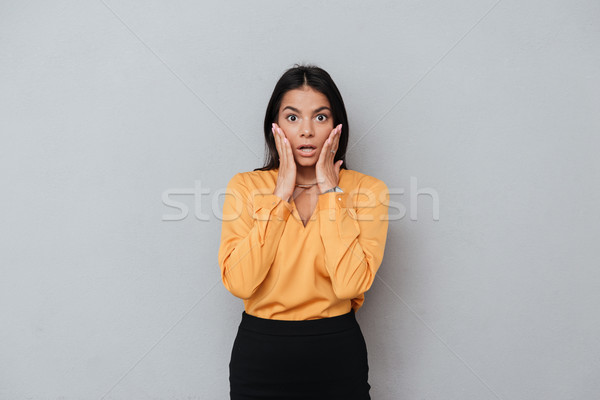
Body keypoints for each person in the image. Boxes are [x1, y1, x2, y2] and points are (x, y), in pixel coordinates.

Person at [218, 64, 389, 399]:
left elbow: (349, 284)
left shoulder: (369, 191)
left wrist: (330, 194)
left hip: (337, 353)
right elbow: (240, 283)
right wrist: (279, 197)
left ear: (337, 127)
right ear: (275, 127)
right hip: (260, 354)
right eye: (293, 117)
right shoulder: (246, 186)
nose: (307, 131)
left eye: (321, 117)